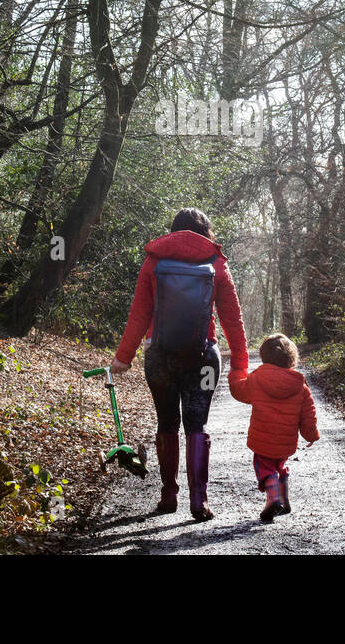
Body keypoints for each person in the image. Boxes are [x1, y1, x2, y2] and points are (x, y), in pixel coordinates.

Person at [109, 208, 248, 521]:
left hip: (160, 355)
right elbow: (232, 319)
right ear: (206, 232)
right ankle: (199, 501)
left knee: (167, 423)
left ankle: (169, 495)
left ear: (173, 230)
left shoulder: (154, 260)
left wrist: (124, 356)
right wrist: (240, 361)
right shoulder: (217, 262)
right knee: (197, 426)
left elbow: (139, 313)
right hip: (205, 357)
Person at [228, 333, 319, 521]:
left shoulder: (257, 379)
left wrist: (237, 372)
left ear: (264, 357)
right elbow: (308, 414)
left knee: (264, 467)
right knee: (279, 464)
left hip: (263, 441)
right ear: (291, 359)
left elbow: (239, 390)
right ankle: (284, 500)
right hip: (286, 443)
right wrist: (311, 435)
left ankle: (273, 498)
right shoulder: (300, 386)